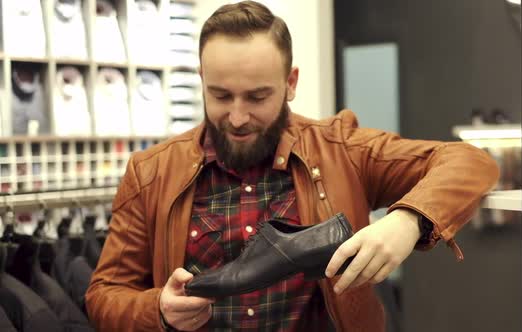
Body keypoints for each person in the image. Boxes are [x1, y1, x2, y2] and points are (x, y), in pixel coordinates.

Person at [85, 1, 499, 331]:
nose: (238, 116)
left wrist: (406, 222)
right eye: (221, 95)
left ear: (291, 83)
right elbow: (104, 297)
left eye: (257, 96)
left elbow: (470, 162)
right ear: (202, 80)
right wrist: (157, 309)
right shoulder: (151, 173)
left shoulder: (340, 149)